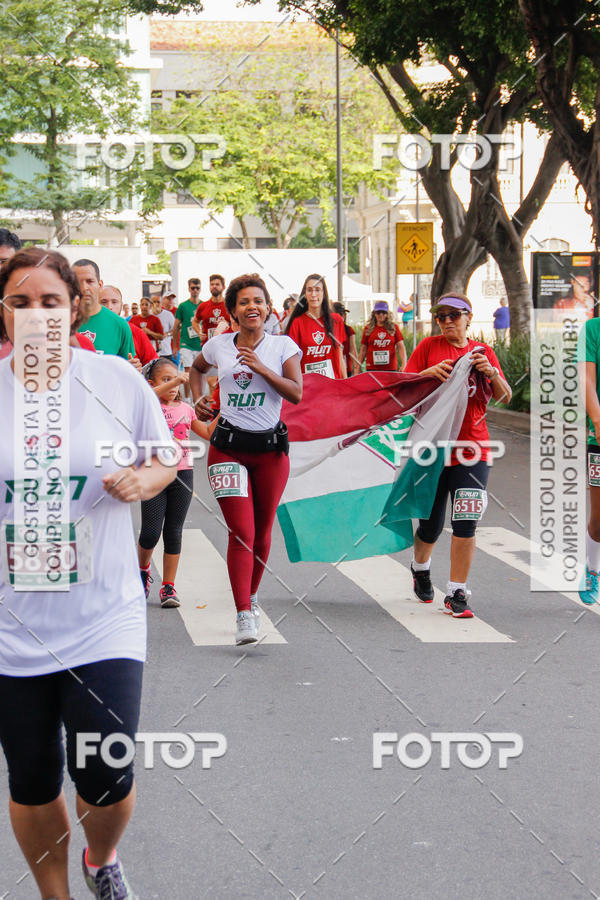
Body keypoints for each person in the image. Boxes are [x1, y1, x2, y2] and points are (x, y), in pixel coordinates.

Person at [0, 247, 176, 900]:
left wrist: (142, 478)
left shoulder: (116, 379)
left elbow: (166, 456)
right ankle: (56, 895)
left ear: (75, 307)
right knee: (33, 776)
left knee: (107, 774)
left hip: (104, 615)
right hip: (14, 623)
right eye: (20, 302)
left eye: (50, 300)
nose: (36, 314)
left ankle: (101, 859)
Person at [190, 274, 303, 645]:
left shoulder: (283, 346)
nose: (251, 306)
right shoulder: (219, 345)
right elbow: (196, 370)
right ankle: (243, 615)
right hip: (227, 450)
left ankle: (251, 596)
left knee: (264, 533)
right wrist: (199, 400)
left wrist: (262, 368)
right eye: (243, 302)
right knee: (243, 533)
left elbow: (296, 394)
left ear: (268, 308)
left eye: (258, 300)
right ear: (233, 311)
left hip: (270, 453)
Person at [404, 293, 511, 618]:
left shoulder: (482, 351)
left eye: (455, 315)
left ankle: (456, 592)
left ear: (468, 317)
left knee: (466, 522)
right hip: (433, 450)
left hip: (473, 450)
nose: (448, 321)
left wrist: (491, 372)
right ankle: (420, 567)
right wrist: (428, 373)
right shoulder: (428, 348)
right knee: (431, 526)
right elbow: (404, 388)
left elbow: (505, 396)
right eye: (442, 316)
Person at [138, 359, 212, 608]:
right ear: (152, 384)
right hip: (153, 473)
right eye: (165, 380)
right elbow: (144, 396)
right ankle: (143, 569)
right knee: (150, 532)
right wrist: (180, 378)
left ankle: (168, 586)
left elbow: (208, 432)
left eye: (175, 379)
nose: (173, 385)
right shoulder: (148, 406)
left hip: (183, 475)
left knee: (173, 531)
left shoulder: (186, 409)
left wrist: (226, 406)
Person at [284, 274, 347, 378]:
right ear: (305, 294)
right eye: (309, 290)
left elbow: (340, 357)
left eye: (317, 290)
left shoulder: (336, 320)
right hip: (308, 388)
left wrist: (346, 383)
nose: (313, 294)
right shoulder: (297, 323)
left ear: (324, 293)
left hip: (333, 387)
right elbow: (292, 361)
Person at [577, 317, 600, 603]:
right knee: (599, 520)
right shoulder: (593, 329)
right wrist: (597, 419)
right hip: (599, 440)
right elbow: (586, 380)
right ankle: (593, 569)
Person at [73, 259, 135, 359]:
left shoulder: (120, 325)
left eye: (90, 281)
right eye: (78, 282)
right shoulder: (58, 322)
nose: (84, 288)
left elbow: (126, 368)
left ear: (100, 285)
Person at [99, 285, 157, 367]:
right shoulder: (84, 329)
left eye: (114, 302)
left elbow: (154, 366)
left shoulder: (136, 332)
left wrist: (139, 371)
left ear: (121, 305)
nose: (109, 307)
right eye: (103, 302)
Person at [172, 277, 202, 400]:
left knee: (199, 372)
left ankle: (198, 397)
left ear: (200, 289)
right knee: (188, 371)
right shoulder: (183, 306)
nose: (195, 290)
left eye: (197, 288)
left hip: (199, 344)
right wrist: (175, 346)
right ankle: (188, 399)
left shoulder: (203, 305)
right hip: (186, 344)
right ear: (189, 289)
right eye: (192, 288)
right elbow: (176, 327)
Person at [359, 300, 406, 372]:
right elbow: (363, 349)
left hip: (390, 369)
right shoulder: (368, 328)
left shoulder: (394, 327)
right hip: (372, 368)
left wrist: (404, 364)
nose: (381, 315)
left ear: (387, 314)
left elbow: (401, 347)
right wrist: (358, 366)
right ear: (374, 313)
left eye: (383, 312)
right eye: (378, 312)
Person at [192, 274, 230, 342]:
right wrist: (199, 333)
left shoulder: (229, 306)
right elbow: (195, 321)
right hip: (208, 345)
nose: (214, 286)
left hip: (225, 345)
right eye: (212, 284)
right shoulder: (203, 306)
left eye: (217, 284)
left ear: (223, 287)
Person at [333, 301, 359, 376]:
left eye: (344, 314)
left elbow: (353, 350)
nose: (342, 316)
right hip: (333, 369)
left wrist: (356, 368)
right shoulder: (327, 330)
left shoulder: (349, 330)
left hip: (347, 368)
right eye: (340, 314)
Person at [151, 294, 175, 359]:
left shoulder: (168, 314)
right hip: (151, 351)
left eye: (158, 302)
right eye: (154, 302)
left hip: (165, 351)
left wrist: (167, 334)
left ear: (161, 303)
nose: (156, 304)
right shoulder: (148, 315)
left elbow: (175, 329)